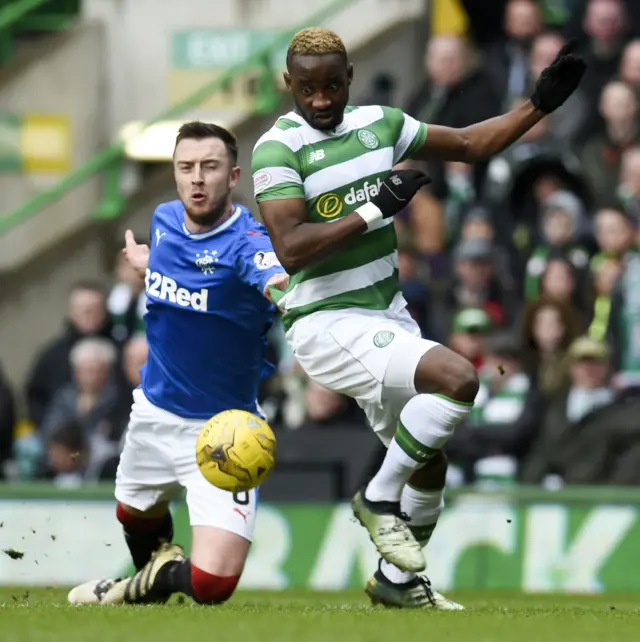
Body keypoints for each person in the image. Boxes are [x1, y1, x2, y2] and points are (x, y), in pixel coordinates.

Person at [251, 27, 585, 609]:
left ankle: (398, 584)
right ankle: (379, 498)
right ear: (289, 84)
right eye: (308, 88)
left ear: (350, 78)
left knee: (429, 466)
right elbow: (291, 247)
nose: (322, 99)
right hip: (324, 320)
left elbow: (470, 144)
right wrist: (373, 206)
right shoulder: (276, 149)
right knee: (459, 379)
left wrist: (536, 106)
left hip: (385, 314)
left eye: (332, 85)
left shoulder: (382, 123)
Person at [67, 121, 288, 606]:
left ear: (232, 176)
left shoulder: (247, 242)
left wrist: (285, 293)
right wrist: (151, 265)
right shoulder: (165, 219)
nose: (197, 179)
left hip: (224, 431)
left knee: (213, 586)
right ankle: (151, 583)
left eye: (209, 167)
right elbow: (179, 281)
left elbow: (274, 280)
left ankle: (135, 586)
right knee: (132, 513)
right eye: (186, 167)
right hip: (153, 412)